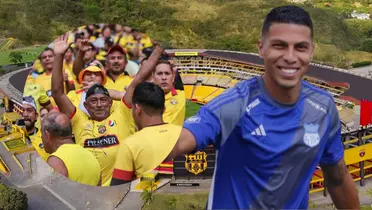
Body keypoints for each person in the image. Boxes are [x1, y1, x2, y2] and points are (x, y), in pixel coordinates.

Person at [165, 5, 360, 209]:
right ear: (261, 48)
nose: (290, 57)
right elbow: (183, 139)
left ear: (311, 51)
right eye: (279, 46)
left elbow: (337, 177)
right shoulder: (235, 104)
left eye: (300, 47)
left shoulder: (324, 107)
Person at [50, 34, 163, 186]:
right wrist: (59, 55)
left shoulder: (122, 112)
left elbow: (139, 78)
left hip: (123, 187)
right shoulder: (78, 119)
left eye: (103, 100)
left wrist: (159, 48)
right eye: (93, 101)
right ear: (86, 106)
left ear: (110, 102)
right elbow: (57, 93)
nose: (98, 104)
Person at [110, 82, 182, 185]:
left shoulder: (130, 144)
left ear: (137, 109)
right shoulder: (183, 134)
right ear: (164, 109)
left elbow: (117, 190)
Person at [41, 112, 101, 186]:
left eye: (42, 134)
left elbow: (54, 194)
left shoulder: (56, 160)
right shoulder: (91, 157)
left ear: (48, 135)